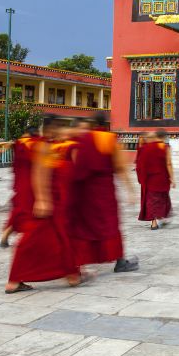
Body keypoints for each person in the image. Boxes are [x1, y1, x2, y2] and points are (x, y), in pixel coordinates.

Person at [5, 118, 81, 294]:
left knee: (56, 237)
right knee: (36, 238)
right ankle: (14, 280)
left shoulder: (45, 145)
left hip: (46, 197)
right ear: (50, 129)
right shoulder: (43, 146)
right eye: (58, 128)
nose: (61, 132)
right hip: (44, 199)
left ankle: (72, 274)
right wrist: (42, 199)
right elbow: (40, 172)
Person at [70, 112, 138, 273]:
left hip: (85, 191)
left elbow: (74, 164)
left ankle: (80, 262)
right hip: (103, 190)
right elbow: (121, 167)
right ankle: (120, 261)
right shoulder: (110, 139)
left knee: (85, 225)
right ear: (106, 123)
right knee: (110, 224)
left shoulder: (83, 139)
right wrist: (131, 190)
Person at [1, 127, 40, 247]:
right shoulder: (35, 143)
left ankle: (6, 234)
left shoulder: (19, 143)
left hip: (21, 182)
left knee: (21, 211)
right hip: (32, 183)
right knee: (27, 212)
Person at [137, 130, 175, 229]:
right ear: (163, 137)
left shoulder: (146, 148)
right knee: (163, 198)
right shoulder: (165, 147)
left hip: (150, 179)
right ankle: (162, 217)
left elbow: (140, 163)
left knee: (151, 200)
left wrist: (141, 177)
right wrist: (172, 178)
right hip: (162, 178)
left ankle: (154, 222)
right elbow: (169, 164)